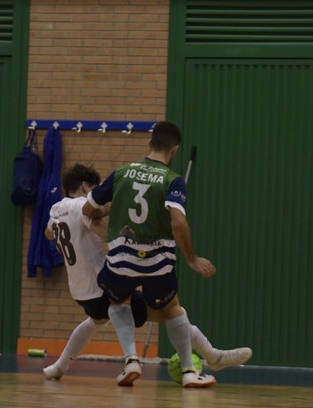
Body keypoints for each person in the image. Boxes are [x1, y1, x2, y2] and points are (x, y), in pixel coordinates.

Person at [42, 163, 252, 381]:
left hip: (80, 291)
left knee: (95, 320)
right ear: (86, 187)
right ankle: (212, 355)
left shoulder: (56, 209)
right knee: (170, 312)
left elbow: (49, 233)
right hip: (101, 285)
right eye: (97, 188)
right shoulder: (81, 206)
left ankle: (59, 366)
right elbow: (107, 234)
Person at [82, 121, 219, 388]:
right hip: (158, 261)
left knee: (117, 301)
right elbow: (178, 222)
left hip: (121, 259)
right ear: (174, 151)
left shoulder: (121, 172)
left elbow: (89, 209)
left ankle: (131, 360)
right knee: (171, 308)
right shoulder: (172, 180)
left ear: (149, 144)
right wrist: (192, 258)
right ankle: (190, 372)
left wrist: (107, 211)